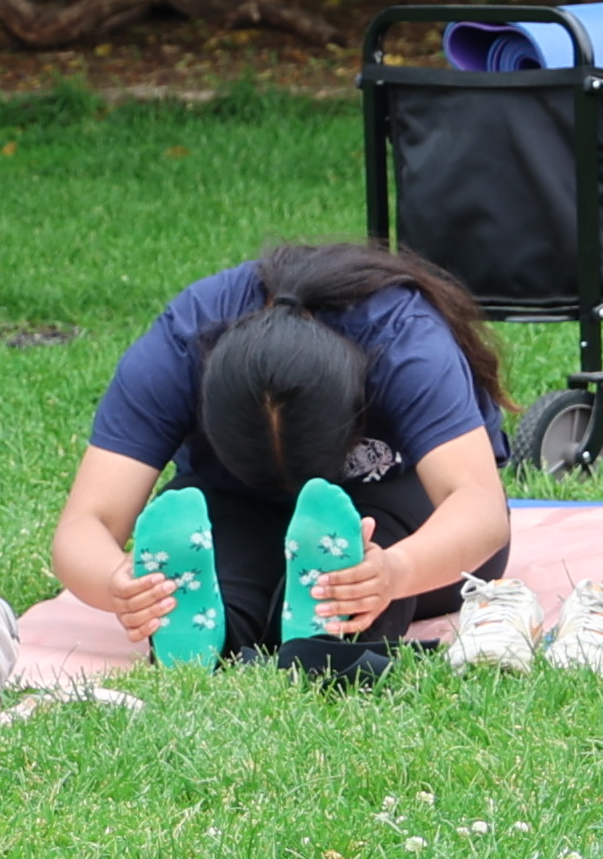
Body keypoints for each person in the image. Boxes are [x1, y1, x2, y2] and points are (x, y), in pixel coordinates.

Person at [50, 244, 516, 667]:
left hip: (385, 504)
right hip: (234, 505)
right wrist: (121, 584)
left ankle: (329, 629)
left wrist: (396, 571)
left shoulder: (404, 343)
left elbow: (478, 505)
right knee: (213, 561)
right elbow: (87, 521)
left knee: (359, 565)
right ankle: (212, 633)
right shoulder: (181, 344)